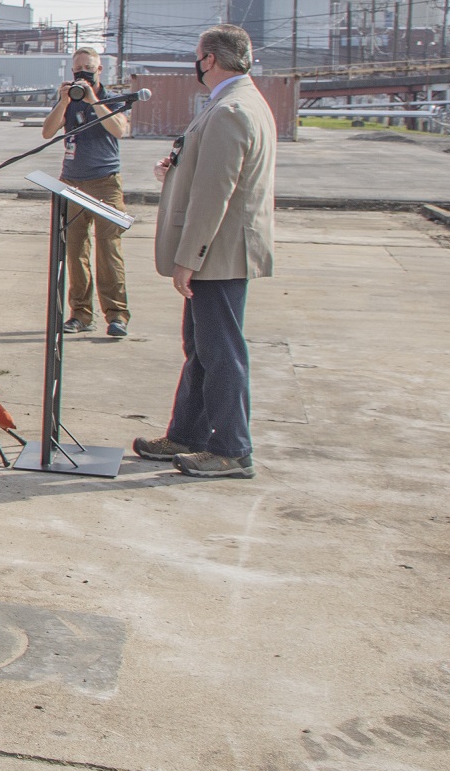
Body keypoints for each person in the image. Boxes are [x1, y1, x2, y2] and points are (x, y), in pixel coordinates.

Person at [134, 25, 276, 480]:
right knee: (200, 348)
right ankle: (188, 434)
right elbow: (208, 169)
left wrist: (188, 258)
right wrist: (173, 170)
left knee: (221, 352)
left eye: (198, 57)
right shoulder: (237, 102)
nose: (196, 65)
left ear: (210, 60)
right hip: (220, 249)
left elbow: (216, 193)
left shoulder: (231, 110)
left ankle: (232, 449)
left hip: (219, 252)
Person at [43, 46, 132, 338]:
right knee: (75, 250)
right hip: (72, 183)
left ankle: (117, 315)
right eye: (77, 71)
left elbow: (120, 129)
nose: (82, 75)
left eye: (87, 70)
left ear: (99, 70)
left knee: (109, 250)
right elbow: (47, 132)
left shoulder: (110, 98)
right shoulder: (69, 101)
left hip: (104, 181)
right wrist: (64, 102)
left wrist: (93, 100)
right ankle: (80, 313)